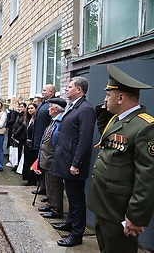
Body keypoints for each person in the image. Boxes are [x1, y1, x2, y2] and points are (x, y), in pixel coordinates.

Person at [87, 64, 154, 253]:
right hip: (105, 204)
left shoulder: (145, 126)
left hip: (119, 209)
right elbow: (105, 135)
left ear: (121, 97)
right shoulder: (116, 120)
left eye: (109, 95)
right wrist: (106, 106)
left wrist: (136, 216)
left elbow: (147, 177)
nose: (105, 99)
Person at [50, 77, 96, 247]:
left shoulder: (86, 109)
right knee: (70, 195)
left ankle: (76, 235)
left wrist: (76, 163)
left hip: (73, 164)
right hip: (65, 160)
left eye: (69, 87)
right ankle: (70, 223)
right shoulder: (74, 106)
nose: (66, 89)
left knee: (77, 200)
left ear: (79, 90)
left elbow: (84, 139)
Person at [37, 98, 66, 219]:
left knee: (55, 186)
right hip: (46, 159)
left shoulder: (60, 122)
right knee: (49, 184)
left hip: (52, 160)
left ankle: (56, 209)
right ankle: (50, 203)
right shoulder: (53, 121)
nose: (48, 109)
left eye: (50, 107)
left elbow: (57, 142)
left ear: (56, 109)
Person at [32, 84, 56, 195]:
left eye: (44, 90)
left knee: (46, 167)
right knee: (41, 165)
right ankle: (42, 187)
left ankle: (47, 190)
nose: (42, 92)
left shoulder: (54, 104)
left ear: (51, 92)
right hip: (39, 138)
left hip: (47, 141)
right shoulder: (43, 103)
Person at [22, 103, 39, 185]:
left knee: (32, 162)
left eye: (32, 108)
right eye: (28, 108)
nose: (30, 110)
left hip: (33, 144)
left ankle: (33, 180)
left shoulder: (37, 120)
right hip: (27, 144)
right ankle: (28, 178)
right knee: (27, 162)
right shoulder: (28, 120)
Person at [11, 102, 27, 171]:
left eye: (22, 107)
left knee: (20, 152)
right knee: (16, 152)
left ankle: (19, 166)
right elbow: (15, 124)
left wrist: (15, 134)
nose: (20, 108)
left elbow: (22, 127)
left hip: (21, 136)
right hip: (16, 136)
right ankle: (16, 165)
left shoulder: (24, 116)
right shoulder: (19, 115)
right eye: (19, 107)